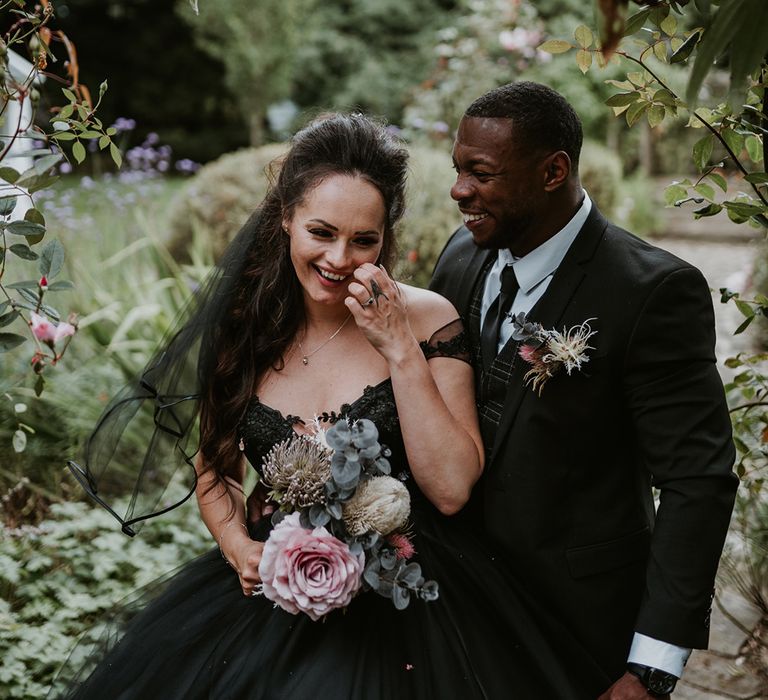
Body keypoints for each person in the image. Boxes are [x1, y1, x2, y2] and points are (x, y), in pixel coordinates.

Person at [54, 113, 608, 699]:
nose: (339, 258)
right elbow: (215, 467)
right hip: (279, 596)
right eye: (321, 232)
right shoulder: (244, 330)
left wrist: (399, 349)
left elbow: (451, 488)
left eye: (363, 240)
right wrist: (239, 547)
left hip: (413, 596)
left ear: (385, 240)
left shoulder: (428, 321)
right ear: (286, 219)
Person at [430, 81, 738, 699]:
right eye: (458, 170)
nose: (460, 190)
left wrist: (650, 669)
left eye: (481, 173)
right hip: (453, 615)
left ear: (553, 171)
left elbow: (696, 480)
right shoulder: (462, 255)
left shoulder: (652, 291)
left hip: (578, 630)